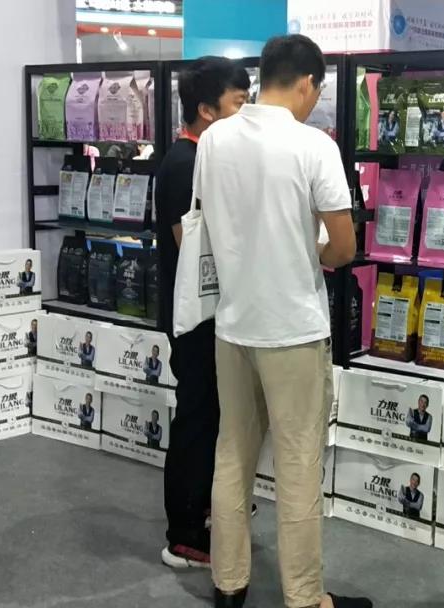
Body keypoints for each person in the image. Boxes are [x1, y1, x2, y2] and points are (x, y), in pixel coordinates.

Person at [196, 35, 368, 608]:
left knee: (232, 454)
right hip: (292, 327)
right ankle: (305, 597)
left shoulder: (214, 139)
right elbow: (343, 247)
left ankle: (229, 585)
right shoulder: (312, 145)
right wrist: (305, 249)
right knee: (297, 463)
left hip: (232, 323)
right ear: (308, 83)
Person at [153, 58, 251, 571]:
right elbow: (189, 249)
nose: (247, 113)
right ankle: (184, 533)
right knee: (195, 417)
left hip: (211, 315)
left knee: (211, 415)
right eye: (239, 103)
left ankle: (205, 509)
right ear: (207, 110)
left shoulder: (203, 159)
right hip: (194, 320)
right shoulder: (184, 164)